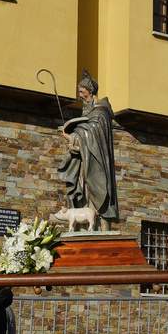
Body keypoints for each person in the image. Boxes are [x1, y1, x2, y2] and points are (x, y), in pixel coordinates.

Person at [57, 70, 119, 224]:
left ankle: (99, 222)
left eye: (81, 91)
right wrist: (73, 136)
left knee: (95, 189)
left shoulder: (100, 112)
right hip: (85, 159)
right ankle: (84, 222)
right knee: (84, 189)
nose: (79, 94)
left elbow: (93, 133)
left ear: (89, 91)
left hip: (96, 161)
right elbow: (86, 130)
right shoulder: (88, 110)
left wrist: (74, 136)